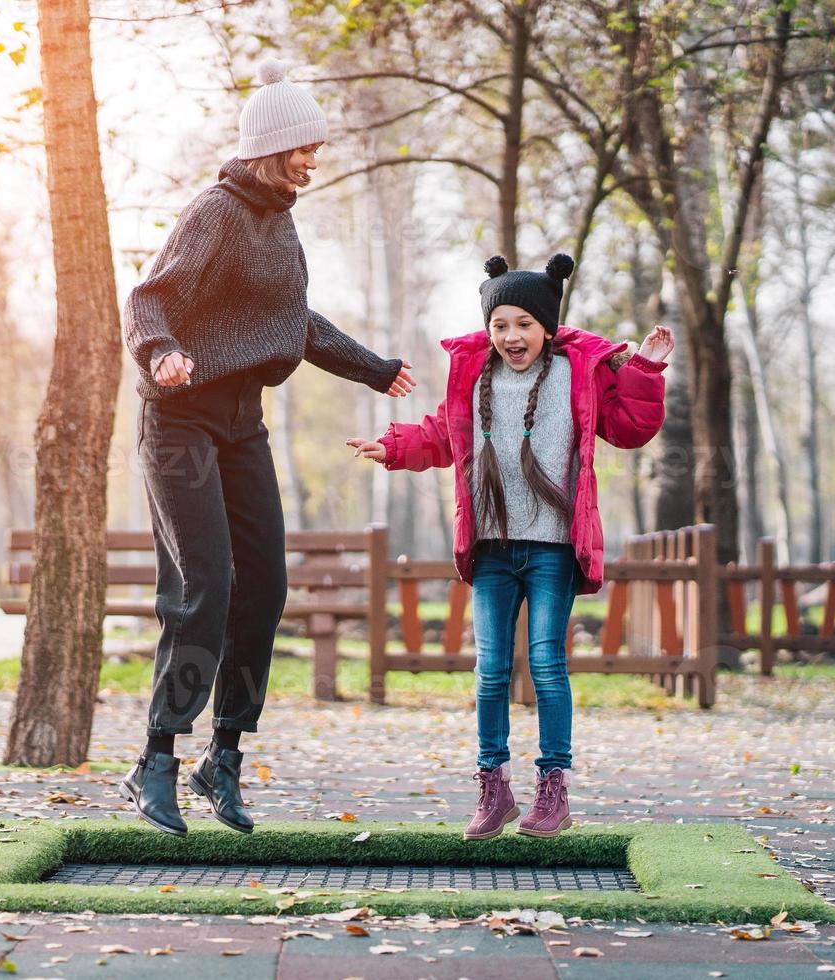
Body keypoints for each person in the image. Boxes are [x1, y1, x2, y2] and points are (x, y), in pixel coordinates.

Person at [119, 58, 416, 837]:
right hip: (180, 419)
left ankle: (225, 757)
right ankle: (157, 758)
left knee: (266, 587)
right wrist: (161, 354)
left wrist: (374, 370)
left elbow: (294, 324)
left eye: (316, 149)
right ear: (272, 145)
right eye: (303, 148)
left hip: (241, 423)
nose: (313, 161)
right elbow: (149, 298)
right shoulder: (215, 211)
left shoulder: (279, 220)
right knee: (204, 587)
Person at [347, 254, 673, 840]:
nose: (510, 336)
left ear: (546, 325)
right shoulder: (474, 377)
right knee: (491, 668)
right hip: (492, 547)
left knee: (547, 665)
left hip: (552, 547)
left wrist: (645, 368)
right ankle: (493, 786)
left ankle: (554, 787)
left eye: (524, 323)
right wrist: (393, 448)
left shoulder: (580, 371)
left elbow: (631, 427)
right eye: (500, 325)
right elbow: (444, 433)